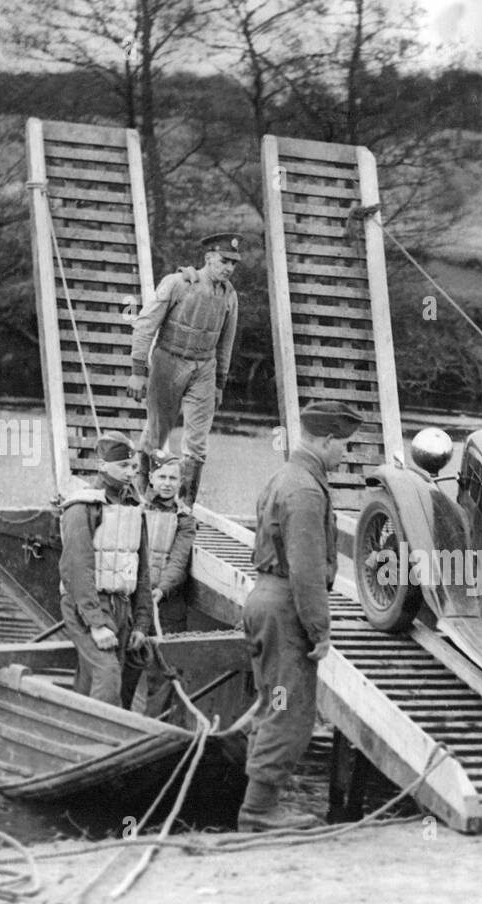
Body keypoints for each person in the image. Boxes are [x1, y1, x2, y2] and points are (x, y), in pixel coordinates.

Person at [238, 401, 364, 832]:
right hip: (286, 610)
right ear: (326, 440)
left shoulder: (284, 477)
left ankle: (257, 801)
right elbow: (307, 570)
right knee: (289, 712)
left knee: (272, 701)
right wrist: (320, 630)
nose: (344, 454)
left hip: (264, 601)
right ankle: (258, 811)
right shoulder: (307, 491)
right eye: (343, 445)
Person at [127, 232, 241, 506]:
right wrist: (138, 371)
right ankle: (144, 495)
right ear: (208, 258)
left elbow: (226, 342)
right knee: (157, 432)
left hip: (204, 368)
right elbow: (145, 324)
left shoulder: (229, 296)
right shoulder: (178, 283)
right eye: (224, 261)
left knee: (198, 441)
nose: (228, 268)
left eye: (233, 263)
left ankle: (185, 506)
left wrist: (219, 383)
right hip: (169, 361)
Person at [58, 432, 153, 706]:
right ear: (102, 465)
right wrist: (97, 624)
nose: (130, 473)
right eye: (123, 466)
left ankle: (74, 735)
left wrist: (142, 622)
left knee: (99, 679)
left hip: (121, 606)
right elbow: (77, 569)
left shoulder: (134, 507)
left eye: (133, 467)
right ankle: (99, 744)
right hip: (86, 605)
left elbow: (141, 569)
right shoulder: (82, 507)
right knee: (107, 673)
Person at [121, 450, 195, 717]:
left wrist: (161, 589)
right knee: (126, 668)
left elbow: (178, 561)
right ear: (151, 478)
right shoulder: (134, 510)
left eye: (173, 478)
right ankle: (118, 723)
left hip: (167, 607)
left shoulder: (185, 520)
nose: (167, 483)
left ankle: (154, 732)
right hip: (133, 603)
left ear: (179, 482)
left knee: (163, 675)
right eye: (161, 476)